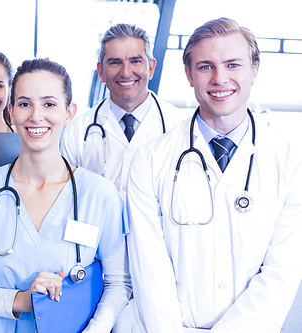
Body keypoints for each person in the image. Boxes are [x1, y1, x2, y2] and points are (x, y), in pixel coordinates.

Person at [126, 17, 302, 332]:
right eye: (206, 66)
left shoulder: (289, 159)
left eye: (233, 65)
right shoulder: (151, 158)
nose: (220, 78)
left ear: (254, 71)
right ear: (189, 75)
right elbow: (149, 269)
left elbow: (281, 272)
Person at [0, 58, 131, 332]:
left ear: (69, 113)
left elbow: (119, 283)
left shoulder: (99, 195)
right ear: (11, 112)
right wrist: (22, 301)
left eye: (49, 104)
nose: (36, 116)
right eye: (24, 103)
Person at [60, 23, 188, 199]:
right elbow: (68, 200)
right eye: (115, 62)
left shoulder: (179, 125)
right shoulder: (78, 130)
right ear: (101, 71)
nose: (126, 72)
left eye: (135, 61)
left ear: (150, 68)